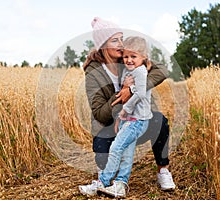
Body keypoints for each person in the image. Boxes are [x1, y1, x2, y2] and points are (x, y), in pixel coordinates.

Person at [79, 17, 175, 196]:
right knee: (106, 141)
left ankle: (163, 170)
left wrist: (133, 89)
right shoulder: (94, 72)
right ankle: (107, 177)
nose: (121, 44)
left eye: (121, 38)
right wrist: (122, 94)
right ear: (103, 44)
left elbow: (161, 69)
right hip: (110, 125)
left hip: (135, 121)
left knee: (159, 121)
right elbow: (100, 114)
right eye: (115, 40)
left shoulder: (129, 59)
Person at [82, 36, 153, 198]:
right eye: (126, 56)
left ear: (143, 57)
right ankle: (120, 184)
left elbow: (140, 93)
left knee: (116, 148)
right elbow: (101, 109)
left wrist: (125, 108)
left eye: (133, 57)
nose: (128, 60)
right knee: (127, 153)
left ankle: (103, 182)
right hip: (128, 119)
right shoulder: (128, 69)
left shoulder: (140, 71)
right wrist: (125, 89)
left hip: (137, 120)